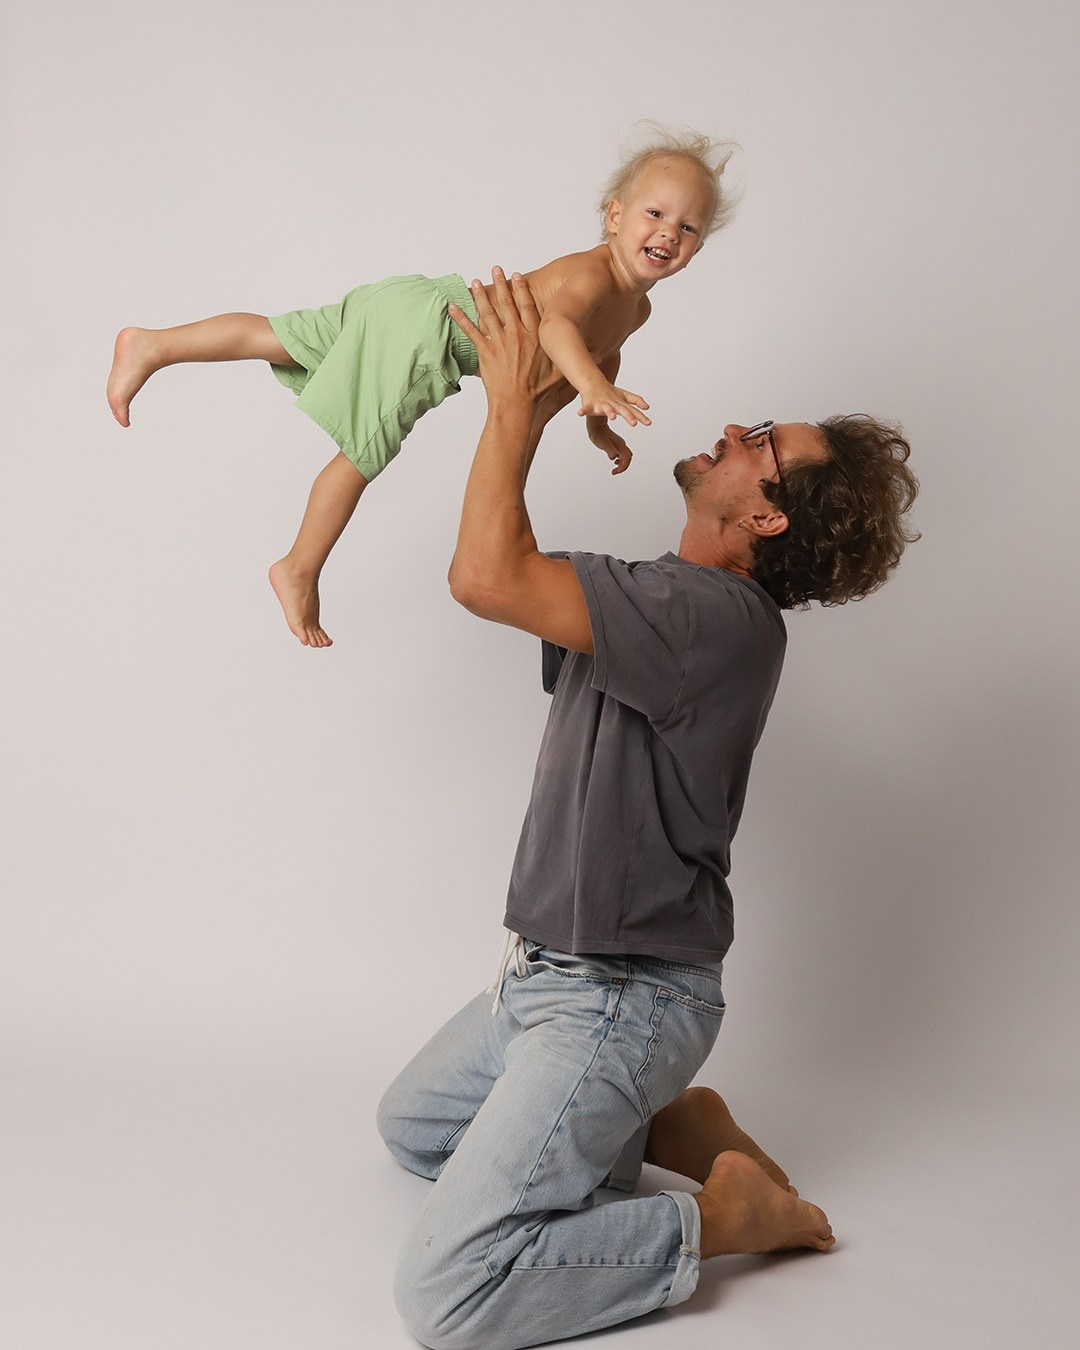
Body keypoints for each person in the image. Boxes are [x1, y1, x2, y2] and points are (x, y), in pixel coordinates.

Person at [375, 269, 919, 1349]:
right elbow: (509, 570)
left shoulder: (713, 618)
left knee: (447, 1293)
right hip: (545, 977)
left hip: (620, 996)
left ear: (764, 515)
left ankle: (718, 1218)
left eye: (761, 444)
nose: (734, 431)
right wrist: (536, 403)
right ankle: (666, 1121)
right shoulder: (661, 598)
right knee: (414, 1128)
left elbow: (483, 577)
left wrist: (512, 400)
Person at [106, 126, 735, 647]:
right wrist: (591, 383)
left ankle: (154, 344)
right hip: (433, 335)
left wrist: (598, 422)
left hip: (416, 301)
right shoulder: (593, 275)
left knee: (278, 336)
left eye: (687, 229)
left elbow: (605, 352)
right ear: (615, 215)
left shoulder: (637, 307)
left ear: (699, 247)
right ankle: (298, 565)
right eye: (655, 214)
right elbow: (558, 329)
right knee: (363, 453)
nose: (668, 234)